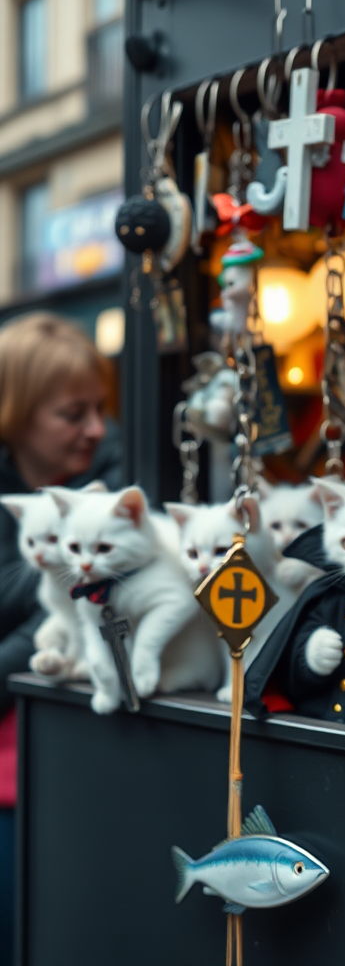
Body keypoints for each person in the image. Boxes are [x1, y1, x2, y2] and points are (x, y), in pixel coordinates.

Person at [0, 313, 120, 966]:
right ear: (16, 415)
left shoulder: (120, 482)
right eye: (73, 413)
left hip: (79, 777)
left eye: (100, 409)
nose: (96, 429)